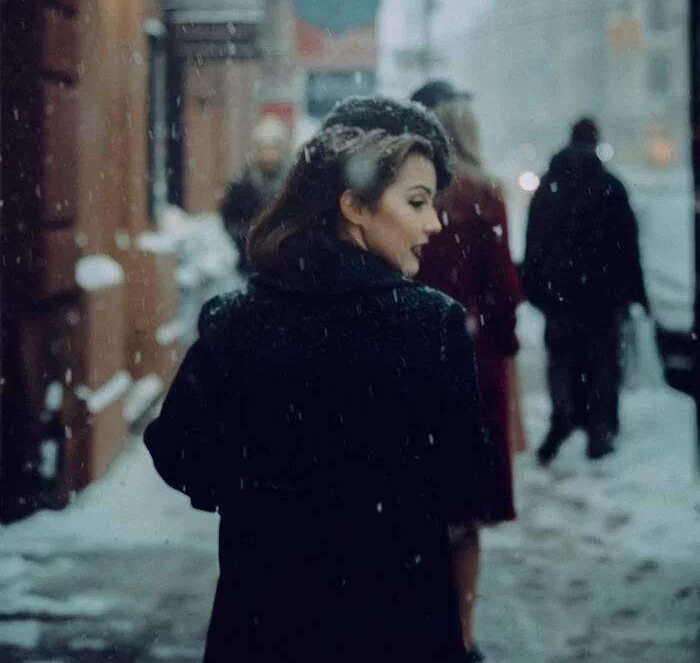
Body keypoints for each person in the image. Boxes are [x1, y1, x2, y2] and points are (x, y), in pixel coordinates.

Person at [145, 112, 496, 663]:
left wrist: (259, 499)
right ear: (354, 206)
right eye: (417, 202)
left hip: (265, 619)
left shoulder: (237, 319)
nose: (435, 225)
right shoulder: (432, 326)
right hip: (398, 621)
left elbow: (177, 449)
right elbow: (467, 478)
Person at [412, 92, 524, 662]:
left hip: (406, 365)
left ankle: (413, 628)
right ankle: (460, 635)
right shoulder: (483, 197)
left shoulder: (410, 199)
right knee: (464, 516)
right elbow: (503, 289)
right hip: (470, 363)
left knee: (411, 508)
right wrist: (503, 344)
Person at [522, 117, 649, 464]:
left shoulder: (549, 187)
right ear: (595, 142)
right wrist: (634, 293)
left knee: (561, 362)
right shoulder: (610, 186)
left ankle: (562, 418)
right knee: (602, 365)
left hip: (558, 297)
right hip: (602, 299)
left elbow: (533, 242)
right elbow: (627, 246)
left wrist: (535, 289)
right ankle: (599, 431)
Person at [220, 114, 291, 273]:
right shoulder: (242, 184)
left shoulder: (292, 183)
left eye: (274, 148)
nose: (269, 155)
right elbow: (229, 219)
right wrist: (250, 236)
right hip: (250, 264)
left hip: (285, 264)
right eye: (265, 148)